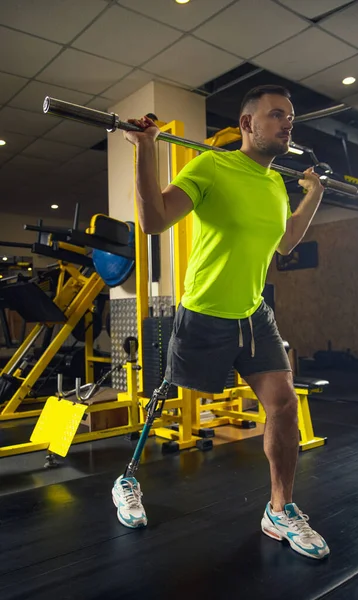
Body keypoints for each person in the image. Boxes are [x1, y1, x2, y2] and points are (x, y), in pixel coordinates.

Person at [111, 85, 330, 560]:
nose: (287, 123)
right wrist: (145, 151)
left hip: (253, 314)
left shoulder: (275, 184)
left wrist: (312, 193)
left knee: (285, 406)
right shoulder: (211, 164)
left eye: (290, 117)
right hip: (204, 312)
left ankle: (280, 509)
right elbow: (153, 220)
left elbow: (287, 242)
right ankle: (127, 479)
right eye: (277, 115)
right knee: (166, 399)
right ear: (248, 124)